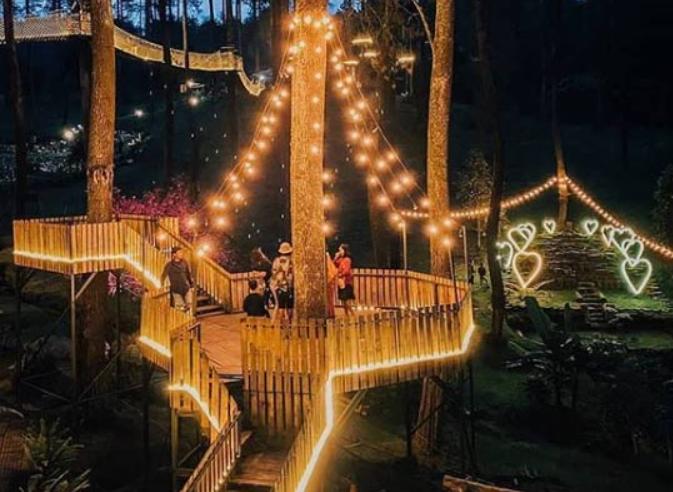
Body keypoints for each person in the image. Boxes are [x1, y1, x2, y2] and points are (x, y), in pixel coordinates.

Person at [161, 246, 194, 312]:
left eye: (181, 252)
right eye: (179, 252)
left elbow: (188, 274)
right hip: (176, 290)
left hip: (186, 288)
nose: (181, 254)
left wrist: (191, 285)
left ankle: (187, 314)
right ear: (174, 254)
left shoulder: (184, 263)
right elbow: (163, 276)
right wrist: (162, 285)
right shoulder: (169, 265)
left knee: (189, 305)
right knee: (181, 308)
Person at [271, 242, 294, 320]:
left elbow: (273, 273)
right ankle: (285, 323)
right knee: (287, 307)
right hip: (285, 286)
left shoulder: (276, 260)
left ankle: (279, 323)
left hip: (278, 287)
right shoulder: (289, 261)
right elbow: (287, 273)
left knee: (280, 307)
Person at [334, 243, 355, 315]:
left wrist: (341, 274)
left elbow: (347, 270)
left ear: (344, 250)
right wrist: (336, 257)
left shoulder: (347, 260)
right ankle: (347, 315)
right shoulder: (341, 259)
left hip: (346, 282)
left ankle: (352, 314)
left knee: (346, 300)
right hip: (341, 282)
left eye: (340, 250)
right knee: (343, 300)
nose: (339, 251)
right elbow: (334, 264)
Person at [326, 252, 338, 318]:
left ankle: (330, 313)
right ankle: (330, 313)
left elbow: (333, 272)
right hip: (329, 281)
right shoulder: (330, 263)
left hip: (329, 281)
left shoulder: (328, 263)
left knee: (329, 298)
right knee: (329, 298)